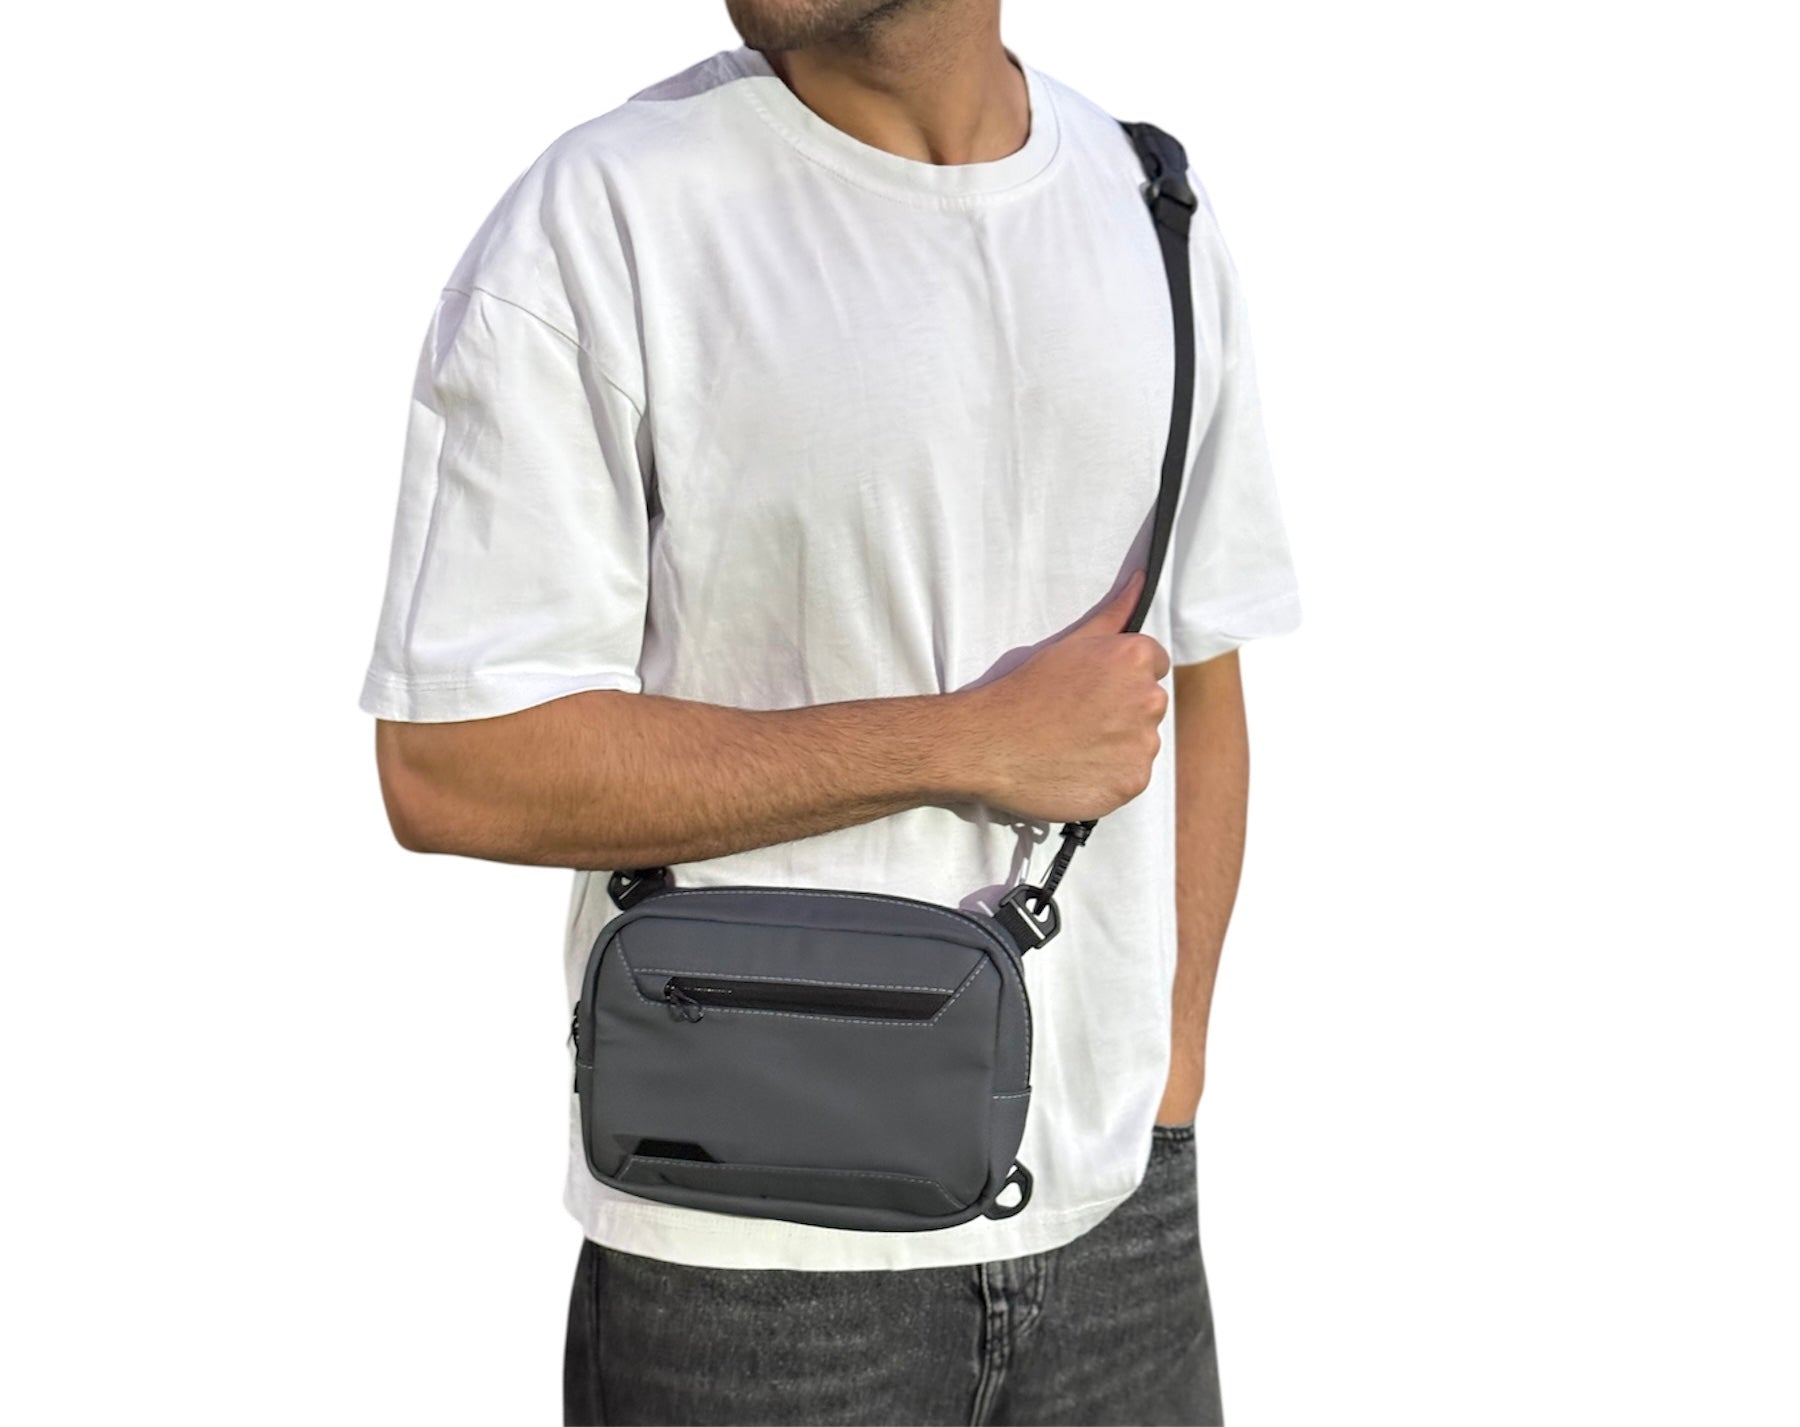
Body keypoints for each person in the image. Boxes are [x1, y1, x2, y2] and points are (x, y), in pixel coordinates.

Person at [358, 1, 1300, 1421]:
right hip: (757, 1255)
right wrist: (963, 742)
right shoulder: (608, 214)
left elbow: (1199, 666)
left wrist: (1172, 1078)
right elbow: (454, 764)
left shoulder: (1149, 205)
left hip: (1119, 1224)